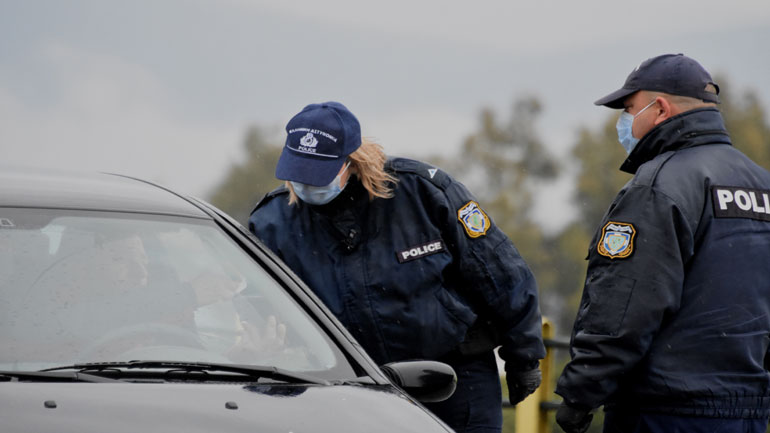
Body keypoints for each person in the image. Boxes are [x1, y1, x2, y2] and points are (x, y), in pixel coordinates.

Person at [249, 101, 545, 433]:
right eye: (299, 173)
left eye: (318, 173)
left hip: (454, 376)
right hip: (350, 388)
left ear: (351, 161)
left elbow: (498, 271)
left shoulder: (422, 192)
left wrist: (524, 355)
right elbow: (261, 313)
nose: (306, 185)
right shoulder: (272, 223)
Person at [554, 54, 770, 433]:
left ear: (661, 109)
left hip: (666, 410)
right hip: (748, 409)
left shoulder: (657, 186)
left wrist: (581, 393)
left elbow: (624, 307)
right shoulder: (761, 184)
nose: (624, 122)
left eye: (629, 109)